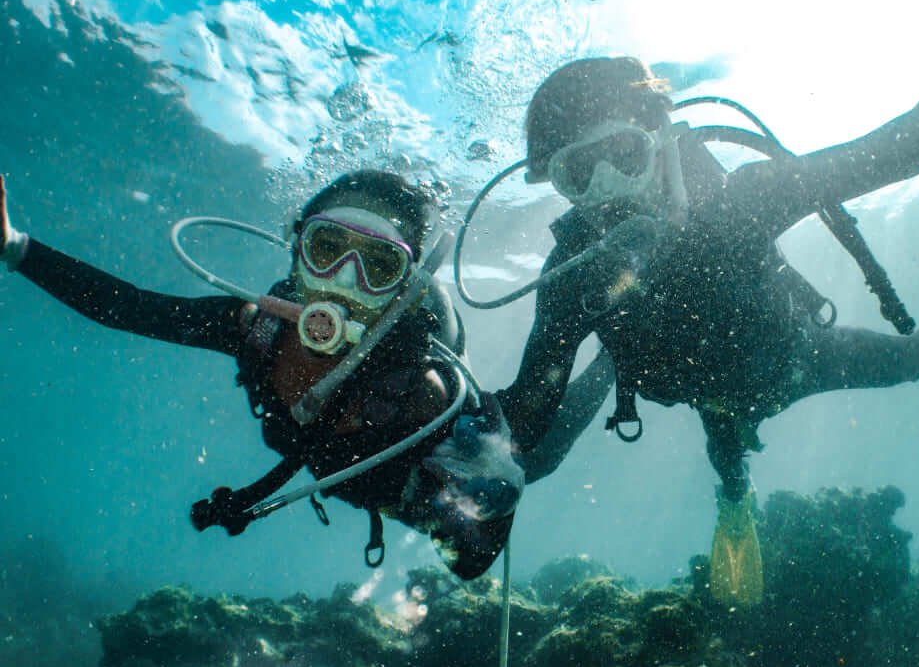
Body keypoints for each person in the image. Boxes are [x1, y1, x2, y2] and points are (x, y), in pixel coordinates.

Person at [494, 56, 919, 604]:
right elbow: (531, 410)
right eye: (580, 174)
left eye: (624, 156)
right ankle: (735, 501)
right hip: (712, 400)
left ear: (662, 140)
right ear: (559, 187)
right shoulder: (572, 272)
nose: (611, 192)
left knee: (910, 362)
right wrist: (468, 461)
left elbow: (895, 151)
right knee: (726, 461)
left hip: (800, 360)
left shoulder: (742, 202)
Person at [0, 169, 610, 580]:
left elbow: (472, 560)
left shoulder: (422, 392)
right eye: (327, 251)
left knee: (540, 450)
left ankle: (610, 369)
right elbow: (130, 308)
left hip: (429, 472)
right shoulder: (256, 329)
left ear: (403, 287)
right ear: (297, 254)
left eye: (375, 266)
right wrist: (12, 245)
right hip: (344, 473)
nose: (343, 283)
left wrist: (482, 490)